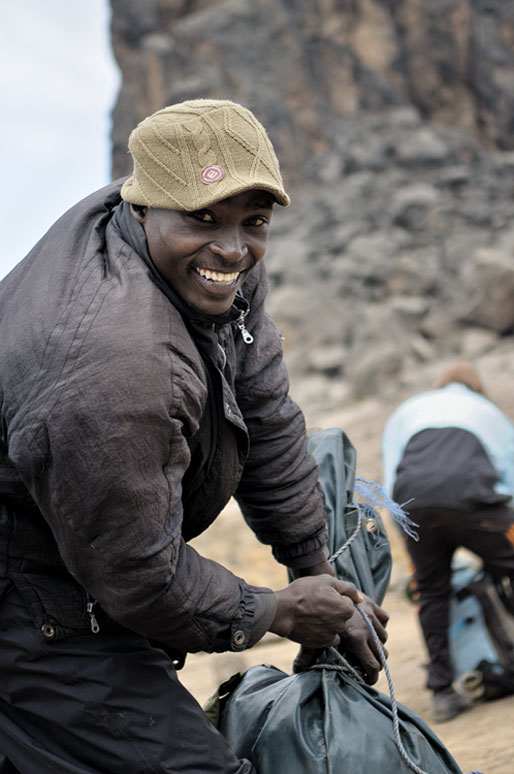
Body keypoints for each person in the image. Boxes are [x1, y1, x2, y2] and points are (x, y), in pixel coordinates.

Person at [0, 99, 388, 773]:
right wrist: (278, 612)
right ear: (145, 206)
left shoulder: (213, 264)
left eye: (254, 222)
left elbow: (265, 413)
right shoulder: (115, 364)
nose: (234, 247)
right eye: (203, 219)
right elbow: (140, 575)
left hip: (83, 551)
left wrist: (316, 572)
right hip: (28, 583)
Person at [382, 361, 514, 722]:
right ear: (476, 387)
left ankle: (442, 692)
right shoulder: (485, 410)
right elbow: (510, 474)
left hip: (415, 508)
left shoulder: (407, 411)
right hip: (474, 500)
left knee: (432, 591)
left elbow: (393, 476)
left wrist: (410, 539)